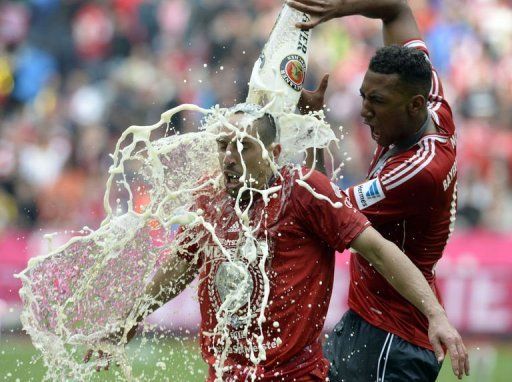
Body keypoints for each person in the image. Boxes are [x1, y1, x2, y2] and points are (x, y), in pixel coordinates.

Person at [87, 103, 467, 381]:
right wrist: (128, 320)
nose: (229, 157)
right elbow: (179, 267)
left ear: (275, 154)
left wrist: (435, 314)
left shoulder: (304, 192)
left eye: (244, 146)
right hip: (223, 374)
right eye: (223, 145)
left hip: (294, 375)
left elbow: (379, 250)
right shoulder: (210, 200)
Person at [288, 0, 469, 380]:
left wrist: (306, 132)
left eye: (378, 101)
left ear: (413, 105)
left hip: (392, 339)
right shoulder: (428, 96)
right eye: (364, 96)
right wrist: (338, 9)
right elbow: (398, 10)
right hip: (371, 319)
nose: (365, 111)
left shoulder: (419, 171)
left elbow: (324, 208)